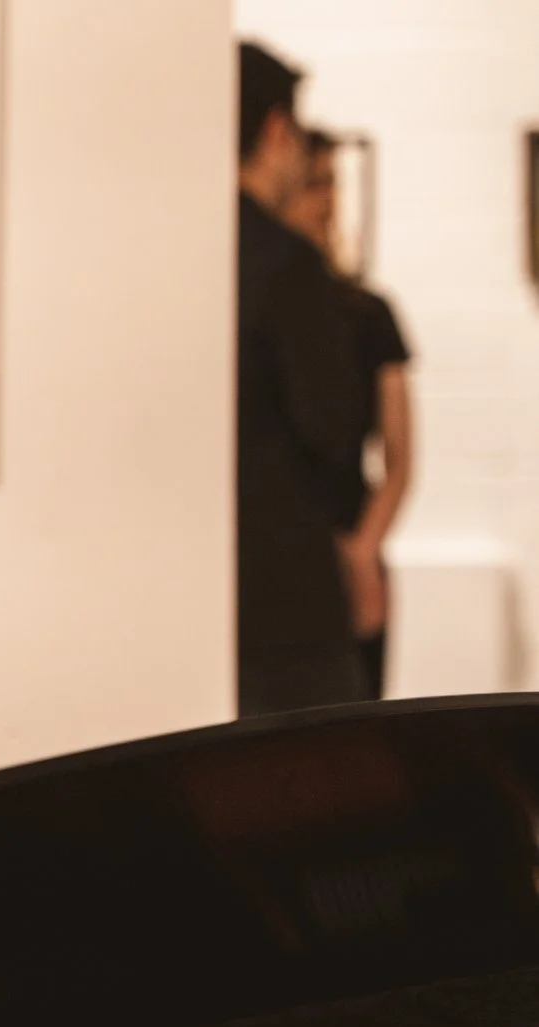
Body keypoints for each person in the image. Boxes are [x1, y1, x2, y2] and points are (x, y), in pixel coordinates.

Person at [236, 42, 368, 716]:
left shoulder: (180, 251)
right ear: (277, 130)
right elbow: (333, 426)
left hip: (195, 578)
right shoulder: (287, 262)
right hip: (287, 589)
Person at [285, 127, 415, 698]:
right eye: (314, 184)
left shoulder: (367, 313)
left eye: (333, 183)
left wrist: (363, 550)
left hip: (350, 533)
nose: (327, 200)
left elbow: (400, 455)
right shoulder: (261, 312)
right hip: (284, 544)